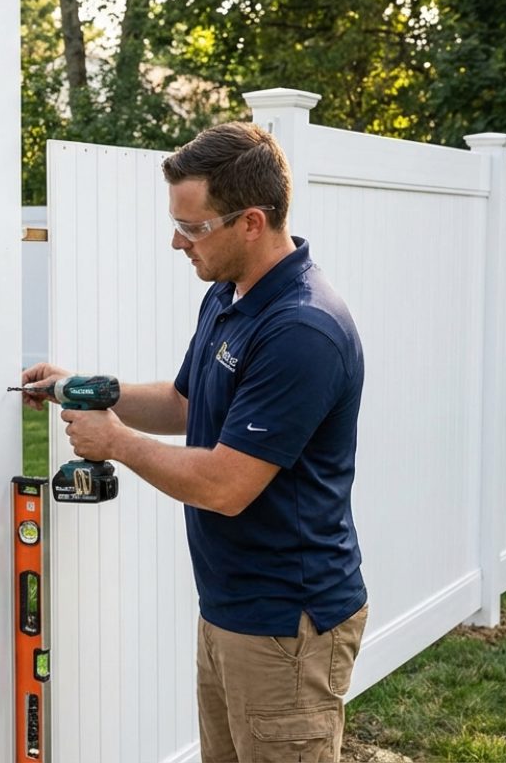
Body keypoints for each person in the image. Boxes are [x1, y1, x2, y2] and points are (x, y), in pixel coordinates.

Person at [22, 122, 367, 762]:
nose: (177, 241)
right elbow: (185, 402)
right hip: (231, 607)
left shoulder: (302, 329)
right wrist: (86, 390)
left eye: (195, 226)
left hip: (287, 623)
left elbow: (229, 487)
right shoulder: (229, 295)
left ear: (252, 222)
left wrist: (117, 442)